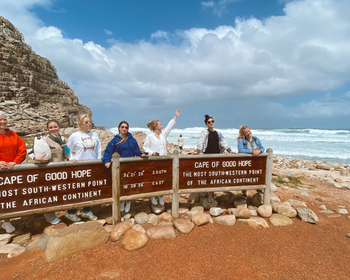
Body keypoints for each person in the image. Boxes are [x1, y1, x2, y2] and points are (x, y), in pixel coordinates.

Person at [30, 119, 71, 224]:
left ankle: (60, 212)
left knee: (59, 192)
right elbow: (30, 152)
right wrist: (37, 158)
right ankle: (50, 217)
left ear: (59, 127)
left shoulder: (62, 139)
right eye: (51, 127)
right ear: (48, 129)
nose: (54, 129)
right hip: (49, 171)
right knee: (50, 194)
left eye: (55, 127)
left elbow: (67, 152)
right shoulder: (43, 139)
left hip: (61, 170)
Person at [102, 121, 146, 213]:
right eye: (122, 127)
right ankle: (122, 202)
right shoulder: (115, 140)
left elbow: (137, 150)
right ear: (119, 128)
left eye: (126, 127)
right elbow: (108, 152)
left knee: (130, 185)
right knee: (121, 185)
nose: (124, 129)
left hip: (131, 166)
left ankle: (128, 201)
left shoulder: (132, 140)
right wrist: (106, 161)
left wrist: (141, 154)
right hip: (120, 167)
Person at [65, 114, 101, 222]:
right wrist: (71, 158)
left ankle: (87, 210)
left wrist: (98, 161)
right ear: (81, 124)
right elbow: (67, 148)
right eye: (86, 122)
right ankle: (70, 212)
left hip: (92, 165)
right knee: (77, 189)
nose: (89, 124)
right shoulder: (74, 136)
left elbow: (98, 149)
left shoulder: (94, 135)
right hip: (79, 166)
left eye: (89, 122)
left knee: (89, 189)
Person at [143, 109, 180, 211]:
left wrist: (175, 116)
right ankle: (153, 198)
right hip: (153, 161)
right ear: (155, 127)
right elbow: (145, 148)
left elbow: (169, 126)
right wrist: (152, 153)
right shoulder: (149, 136)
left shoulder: (163, 134)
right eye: (159, 124)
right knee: (154, 179)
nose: (161, 126)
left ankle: (160, 197)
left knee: (161, 180)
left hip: (163, 161)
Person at [196, 114, 236, 202]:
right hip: (208, 156)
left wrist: (229, 150)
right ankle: (210, 193)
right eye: (209, 122)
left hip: (217, 156)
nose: (211, 123)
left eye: (212, 121)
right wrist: (197, 152)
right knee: (209, 175)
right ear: (206, 124)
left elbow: (223, 142)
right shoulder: (204, 132)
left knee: (215, 175)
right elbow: (201, 142)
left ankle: (211, 192)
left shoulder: (218, 132)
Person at [0, 111, 27, 233]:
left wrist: (15, 161)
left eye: (4, 119)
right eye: (0, 120)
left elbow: (22, 149)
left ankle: (6, 221)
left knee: (9, 196)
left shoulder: (13, 135)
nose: (3, 122)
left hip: (11, 172)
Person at [237, 125, 265, 202]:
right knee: (245, 177)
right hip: (246, 162)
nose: (248, 133)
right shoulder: (241, 141)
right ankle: (244, 194)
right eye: (246, 132)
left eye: (249, 131)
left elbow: (262, 148)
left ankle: (259, 189)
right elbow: (241, 150)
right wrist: (252, 152)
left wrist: (259, 151)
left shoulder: (256, 139)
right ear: (243, 134)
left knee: (258, 174)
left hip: (256, 162)